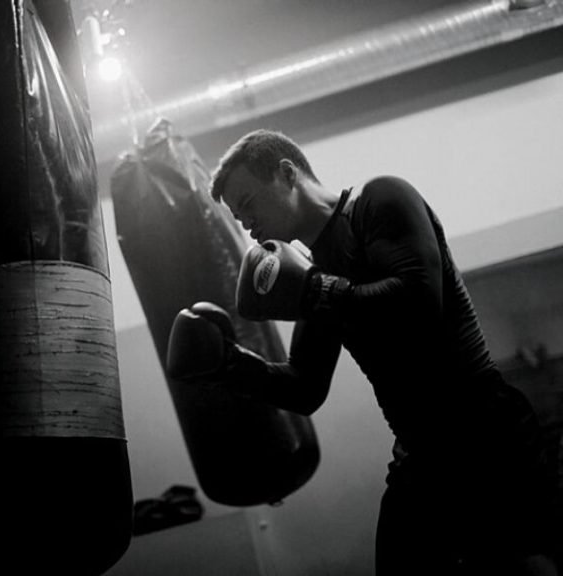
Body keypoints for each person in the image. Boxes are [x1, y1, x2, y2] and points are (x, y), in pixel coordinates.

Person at [166, 129, 559, 575]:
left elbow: (418, 301)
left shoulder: (380, 201)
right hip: (418, 451)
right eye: (237, 217)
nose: (246, 224)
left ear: (287, 173)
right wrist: (229, 365)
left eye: (249, 203)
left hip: (482, 428)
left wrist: (316, 291)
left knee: (522, 565)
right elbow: (304, 386)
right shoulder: (312, 273)